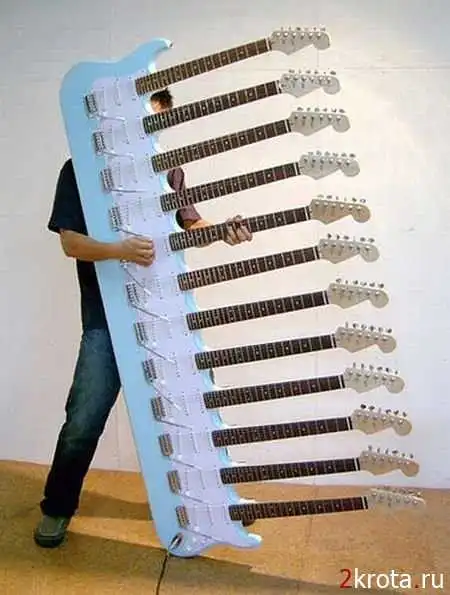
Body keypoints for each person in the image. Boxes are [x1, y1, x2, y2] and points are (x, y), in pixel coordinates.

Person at [34, 88, 253, 548]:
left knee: (196, 411)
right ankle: (57, 507)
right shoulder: (79, 170)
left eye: (157, 122)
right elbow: (71, 243)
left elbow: (191, 226)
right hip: (106, 321)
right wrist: (118, 250)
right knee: (84, 419)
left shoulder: (169, 170)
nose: (149, 130)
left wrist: (222, 232)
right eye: (142, 119)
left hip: (167, 315)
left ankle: (211, 508)